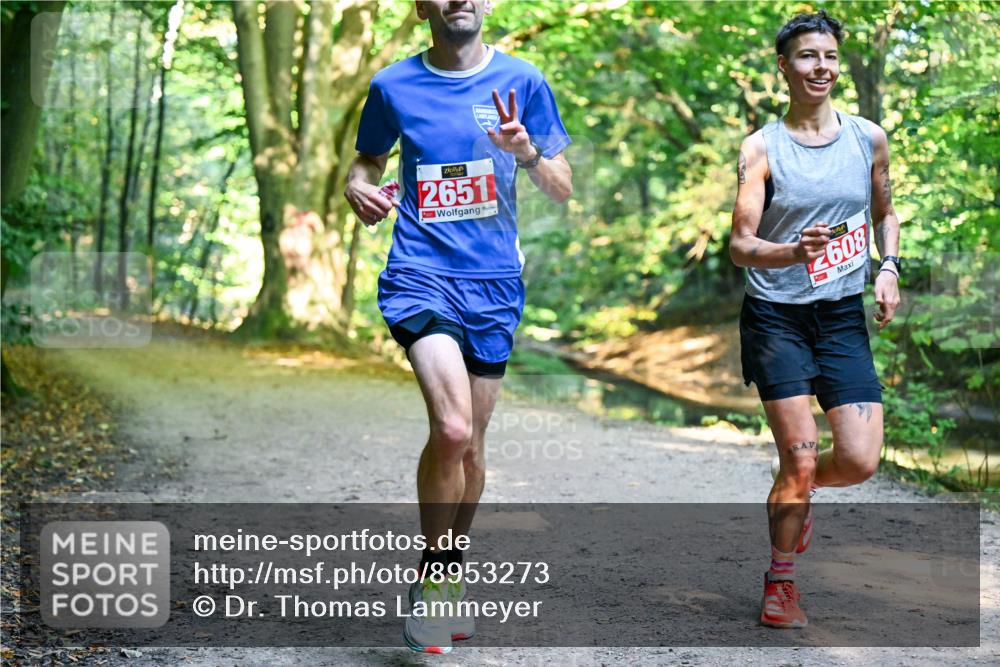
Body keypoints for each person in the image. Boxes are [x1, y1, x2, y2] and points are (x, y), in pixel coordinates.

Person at [344, 0, 572, 653]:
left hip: (496, 284)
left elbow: (560, 186)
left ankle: (443, 572)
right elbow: (366, 164)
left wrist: (527, 151)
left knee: (471, 450)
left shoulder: (523, 82)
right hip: (419, 272)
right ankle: (437, 577)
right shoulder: (393, 85)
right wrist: (358, 189)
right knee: (450, 427)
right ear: (423, 6)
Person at [729, 10, 901, 629]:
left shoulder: (867, 138)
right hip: (775, 315)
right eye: (806, 56)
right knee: (801, 459)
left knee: (858, 461)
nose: (820, 67)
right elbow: (740, 245)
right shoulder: (762, 148)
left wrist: (889, 268)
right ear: (784, 66)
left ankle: (795, 493)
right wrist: (792, 251)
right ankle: (780, 583)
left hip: (840, 316)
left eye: (828, 56)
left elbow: (885, 210)